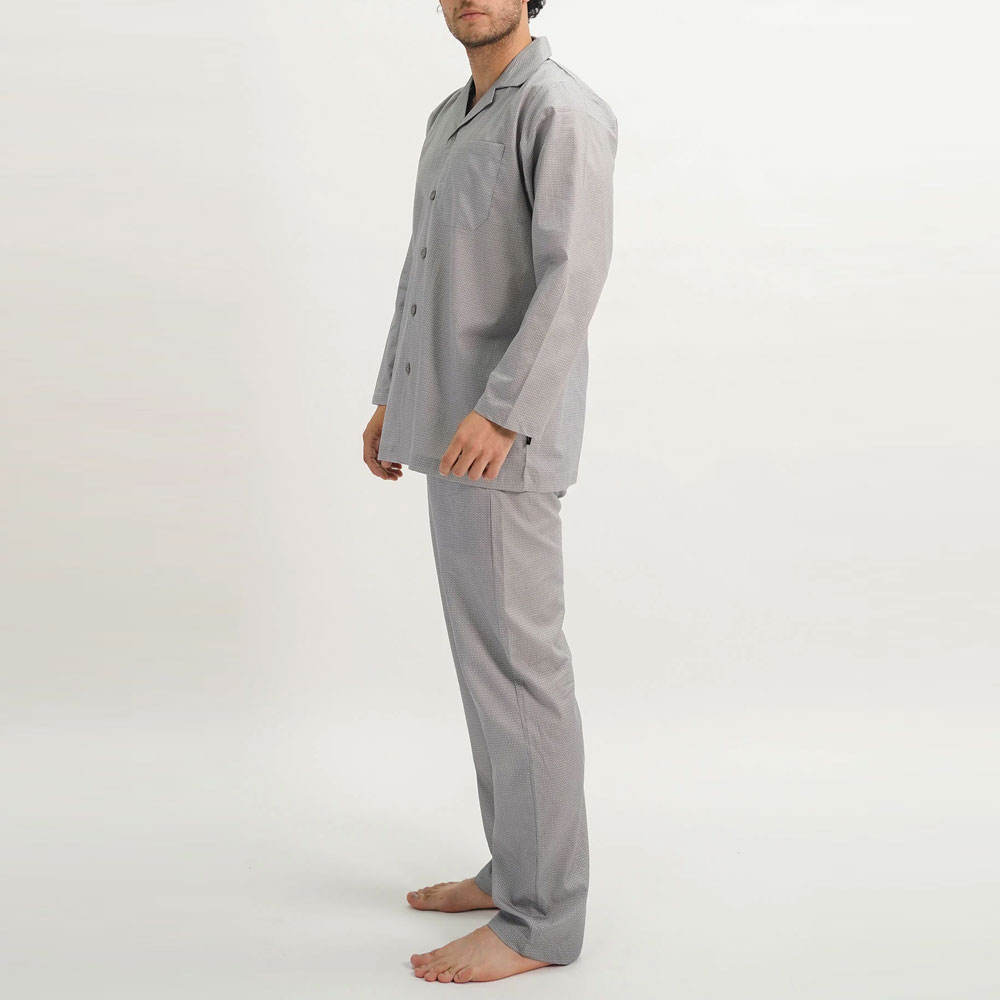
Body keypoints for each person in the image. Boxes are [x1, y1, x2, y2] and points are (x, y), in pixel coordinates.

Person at [361, 0, 617, 984]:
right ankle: (515, 869)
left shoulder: (560, 110)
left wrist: (503, 412)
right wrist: (393, 393)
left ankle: (542, 921)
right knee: (486, 673)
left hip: (500, 438)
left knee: (521, 675)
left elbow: (572, 276)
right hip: (445, 425)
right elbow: (423, 265)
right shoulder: (450, 115)